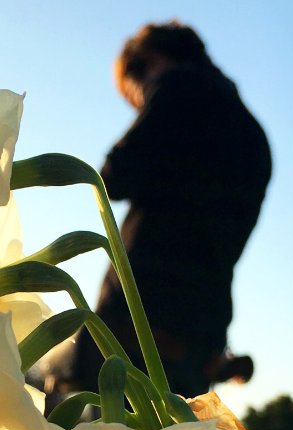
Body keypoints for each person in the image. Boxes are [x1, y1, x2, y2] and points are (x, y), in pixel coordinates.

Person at [41, 20, 271, 403]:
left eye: (135, 95)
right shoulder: (254, 134)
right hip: (201, 334)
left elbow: (114, 178)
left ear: (150, 60)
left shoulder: (179, 87)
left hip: (134, 319)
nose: (141, 103)